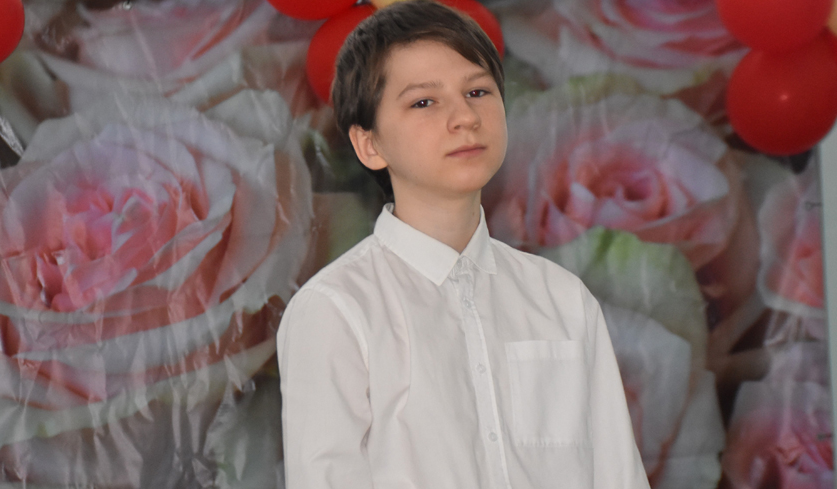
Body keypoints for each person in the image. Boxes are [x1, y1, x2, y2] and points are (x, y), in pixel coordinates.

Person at [277, 1, 649, 488]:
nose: (465, 117)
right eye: (424, 102)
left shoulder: (562, 298)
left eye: (477, 91)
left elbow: (618, 476)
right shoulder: (336, 309)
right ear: (369, 144)